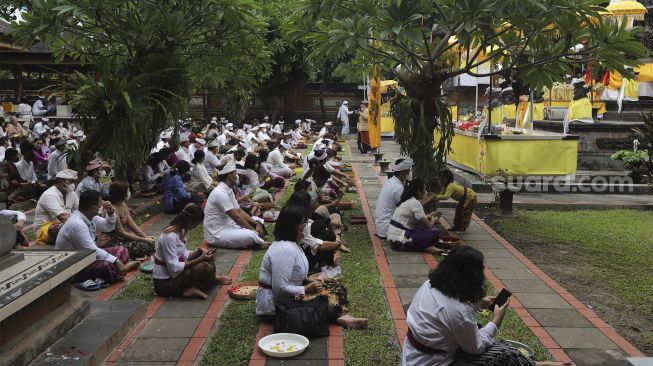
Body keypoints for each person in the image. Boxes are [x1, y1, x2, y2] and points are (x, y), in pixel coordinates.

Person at [403, 246, 567, 366]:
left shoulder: (430, 285)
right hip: (433, 362)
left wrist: (478, 304)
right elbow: (476, 347)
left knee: (489, 337)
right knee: (503, 351)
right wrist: (496, 320)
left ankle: (534, 364)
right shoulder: (459, 312)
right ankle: (538, 365)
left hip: (414, 352)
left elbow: (445, 312)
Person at [255, 205, 367, 329]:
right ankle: (339, 316)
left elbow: (292, 274)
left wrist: (308, 280)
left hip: (289, 295)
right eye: (305, 223)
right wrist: (306, 289)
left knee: (334, 286)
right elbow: (279, 289)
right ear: (296, 227)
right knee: (326, 300)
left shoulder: (294, 243)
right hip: (276, 306)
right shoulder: (284, 250)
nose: (308, 226)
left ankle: (337, 314)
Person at [56, 190, 140, 285]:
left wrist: (111, 212)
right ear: (92, 208)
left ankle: (120, 270)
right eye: (101, 206)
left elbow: (108, 227)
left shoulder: (90, 217)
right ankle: (123, 269)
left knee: (122, 250)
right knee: (107, 265)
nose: (102, 207)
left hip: (87, 257)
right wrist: (115, 261)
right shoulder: (77, 224)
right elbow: (92, 250)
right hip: (72, 267)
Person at [153, 203, 232, 299]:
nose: (196, 227)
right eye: (196, 224)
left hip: (174, 277)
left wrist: (200, 251)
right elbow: (174, 268)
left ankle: (207, 282)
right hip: (165, 284)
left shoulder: (180, 231)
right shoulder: (169, 237)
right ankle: (187, 290)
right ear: (190, 221)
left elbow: (184, 255)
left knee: (207, 263)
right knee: (203, 267)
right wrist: (200, 259)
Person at [203, 160, 270, 249]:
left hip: (229, 225)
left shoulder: (228, 189)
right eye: (236, 174)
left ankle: (254, 237)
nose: (238, 176)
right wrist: (254, 231)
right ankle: (258, 241)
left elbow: (239, 211)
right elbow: (237, 217)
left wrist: (256, 223)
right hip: (217, 234)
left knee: (258, 221)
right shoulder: (220, 192)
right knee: (251, 235)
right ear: (231, 177)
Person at [286, 191, 346, 272]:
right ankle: (328, 263)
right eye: (309, 202)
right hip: (301, 262)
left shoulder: (291, 213)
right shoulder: (298, 225)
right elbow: (321, 246)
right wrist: (338, 243)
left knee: (319, 224)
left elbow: (315, 221)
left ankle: (326, 261)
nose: (312, 204)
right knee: (328, 234)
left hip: (300, 250)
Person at [97, 181, 156, 260]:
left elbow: (130, 223)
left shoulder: (123, 204)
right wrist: (144, 239)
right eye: (127, 190)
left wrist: (145, 236)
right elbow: (121, 233)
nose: (129, 192)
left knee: (149, 242)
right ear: (121, 194)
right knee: (144, 246)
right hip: (109, 243)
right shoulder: (111, 209)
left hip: (121, 239)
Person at [387, 179, 443, 254]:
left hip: (393, 240)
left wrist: (429, 215)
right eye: (425, 190)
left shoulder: (407, 200)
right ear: (419, 192)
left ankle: (424, 246)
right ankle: (426, 247)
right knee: (435, 232)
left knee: (420, 228)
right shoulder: (415, 203)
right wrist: (433, 219)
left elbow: (417, 219)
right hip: (401, 241)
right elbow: (428, 226)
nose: (426, 193)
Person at [33, 169, 79, 244]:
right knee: (58, 228)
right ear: (61, 182)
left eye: (74, 182)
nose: (73, 184)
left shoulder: (71, 193)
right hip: (45, 229)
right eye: (71, 182)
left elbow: (80, 210)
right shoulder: (49, 195)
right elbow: (63, 217)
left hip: (66, 224)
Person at [375, 158, 412, 238]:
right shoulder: (398, 188)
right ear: (403, 173)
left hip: (381, 226)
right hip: (388, 229)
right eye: (408, 172)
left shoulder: (390, 181)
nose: (409, 174)